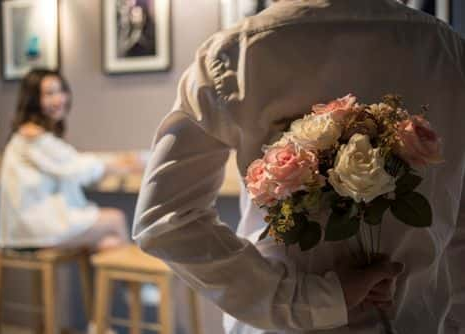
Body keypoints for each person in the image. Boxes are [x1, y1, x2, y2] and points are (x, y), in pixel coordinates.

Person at [133, 0, 465, 333]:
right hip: (420, 320)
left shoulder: (240, 55)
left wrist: (306, 300)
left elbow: (166, 219)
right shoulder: (448, 52)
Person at [0, 68, 132, 251]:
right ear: (33, 100)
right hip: (31, 230)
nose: (59, 99)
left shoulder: (27, 135)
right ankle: (142, 280)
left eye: (61, 91)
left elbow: (71, 161)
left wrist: (113, 163)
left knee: (108, 242)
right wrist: (118, 165)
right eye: (49, 94)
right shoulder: (33, 136)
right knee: (116, 220)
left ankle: (127, 279)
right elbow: (76, 168)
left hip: (24, 227)